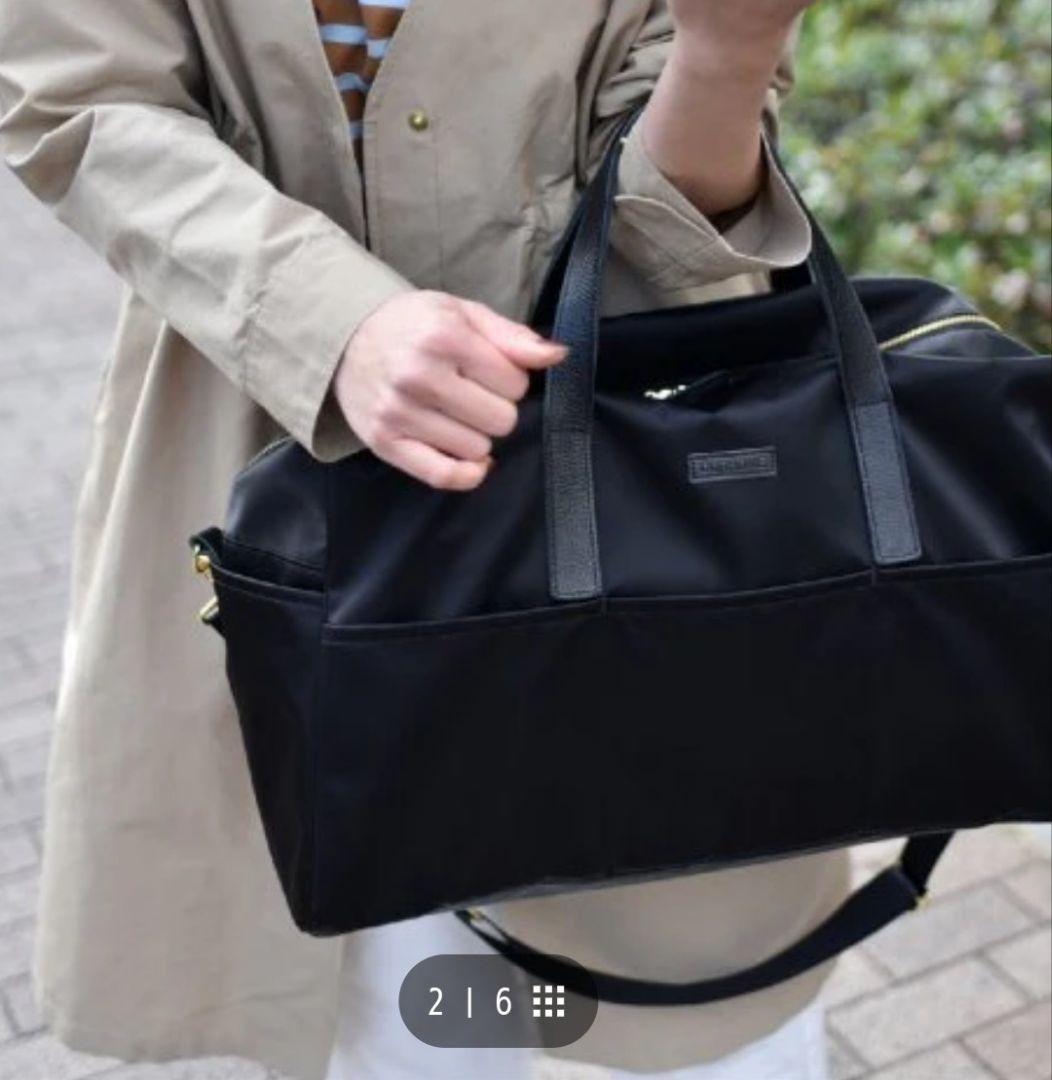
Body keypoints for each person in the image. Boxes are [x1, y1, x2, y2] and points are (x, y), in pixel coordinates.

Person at [0, 1, 847, 1078]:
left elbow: (674, 206)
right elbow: (84, 96)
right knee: (420, 1015)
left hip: (634, 492)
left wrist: (728, 52)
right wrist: (329, 320)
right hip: (284, 473)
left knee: (704, 999)